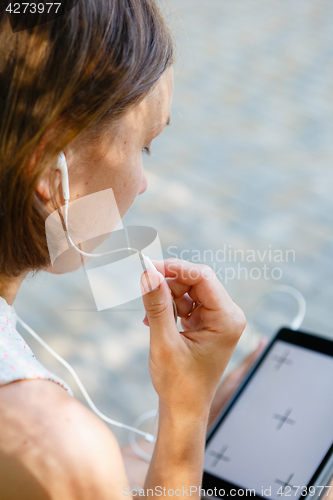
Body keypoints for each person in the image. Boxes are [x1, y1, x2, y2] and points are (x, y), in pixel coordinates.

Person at [0, 1, 325, 499]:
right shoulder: (50, 448)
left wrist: (171, 432)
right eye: (144, 146)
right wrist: (186, 413)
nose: (145, 185)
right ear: (50, 169)